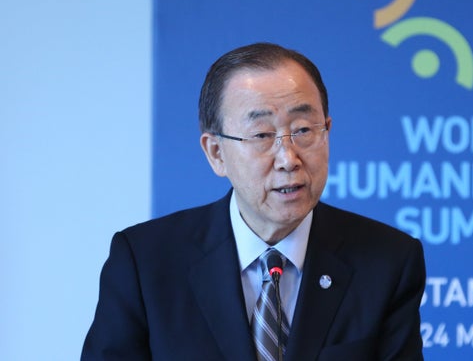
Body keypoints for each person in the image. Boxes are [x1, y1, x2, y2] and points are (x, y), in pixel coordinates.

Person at [82, 42, 426, 360]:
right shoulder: (145, 262)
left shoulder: (387, 262)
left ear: (327, 131)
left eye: (304, 130)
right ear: (216, 153)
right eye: (262, 135)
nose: (288, 158)